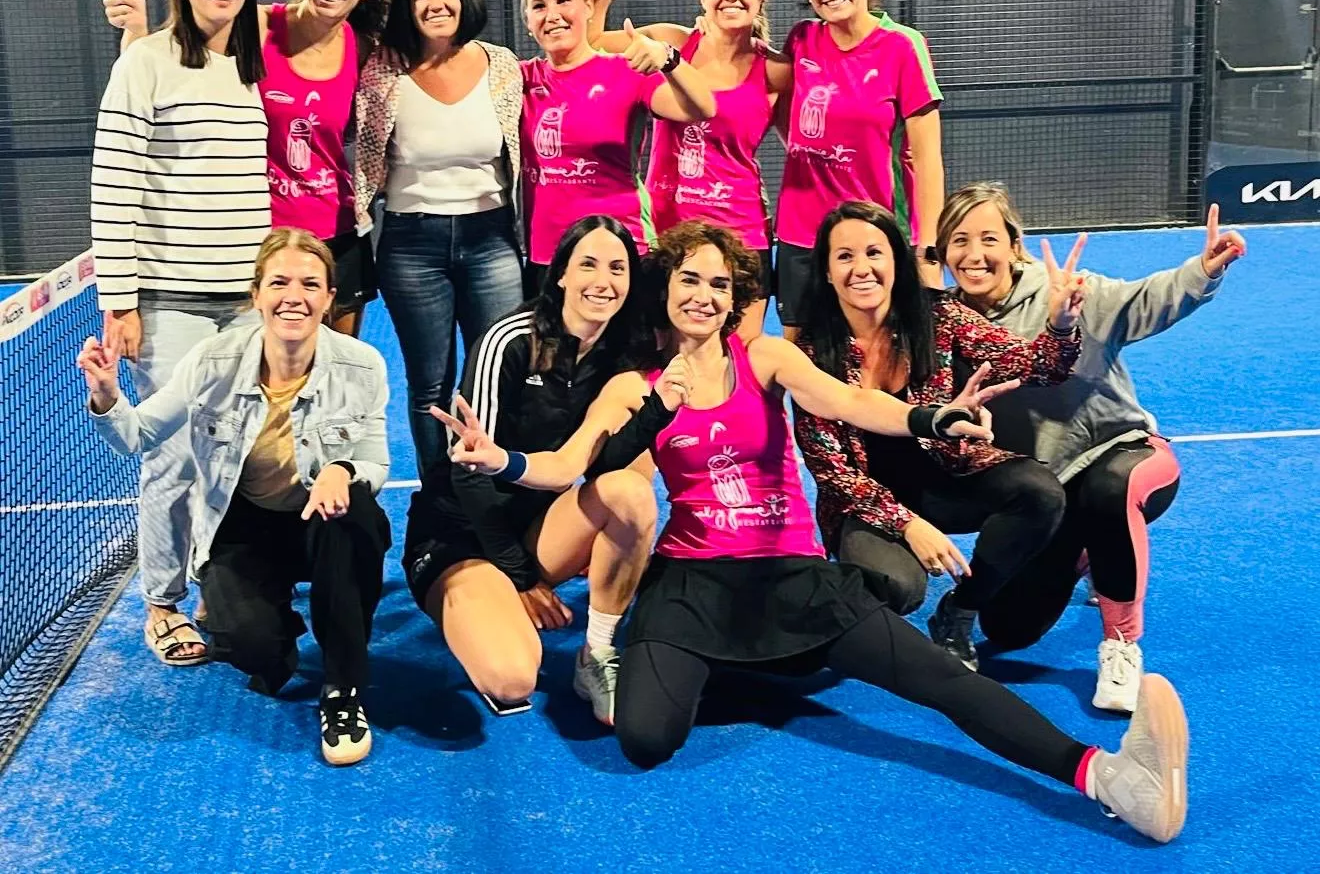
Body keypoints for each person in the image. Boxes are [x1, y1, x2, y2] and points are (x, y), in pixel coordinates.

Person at [438, 220, 1189, 845]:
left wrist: (932, 416)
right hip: (694, 585)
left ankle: (1111, 775)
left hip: (793, 576)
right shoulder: (635, 385)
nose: (705, 295)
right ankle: (736, 663)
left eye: (720, 283)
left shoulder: (764, 356)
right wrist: (498, 456)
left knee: (942, 680)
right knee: (644, 739)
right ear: (664, 291)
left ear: (734, 299)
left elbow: (857, 403)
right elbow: (571, 464)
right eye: (689, 280)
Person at [78, 229, 391, 766]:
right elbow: (138, 437)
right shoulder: (211, 360)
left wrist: (343, 469)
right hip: (246, 523)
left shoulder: (362, 364)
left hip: (323, 517)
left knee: (352, 515)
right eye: (280, 282)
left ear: (329, 298)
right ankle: (272, 623)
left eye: (310, 284)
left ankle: (343, 688)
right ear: (257, 295)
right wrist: (107, 394)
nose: (294, 296)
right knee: (251, 650)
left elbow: (377, 461)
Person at [937, 182, 1246, 711]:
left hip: (1126, 454)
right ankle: (1086, 552)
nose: (974, 254)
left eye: (989, 238)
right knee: (1009, 629)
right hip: (1051, 492)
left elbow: (1146, 300)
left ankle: (1121, 643)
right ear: (943, 254)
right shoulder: (948, 325)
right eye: (959, 241)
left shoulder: (1068, 291)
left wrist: (1204, 270)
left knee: (1107, 492)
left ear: (1014, 245)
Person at [792, 201, 1086, 671]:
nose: (861, 268)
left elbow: (1036, 367)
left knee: (1039, 494)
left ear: (896, 262)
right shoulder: (808, 355)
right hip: (865, 501)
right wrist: (908, 526)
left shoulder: (941, 316)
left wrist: (1061, 325)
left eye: (874, 252)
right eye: (844, 257)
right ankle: (841, 582)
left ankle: (960, 610)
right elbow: (834, 476)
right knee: (899, 588)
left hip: (949, 474)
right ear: (827, 273)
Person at [92, 0, 270, 666]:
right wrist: (120, 299)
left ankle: (216, 582)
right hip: (168, 301)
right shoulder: (145, 63)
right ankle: (161, 600)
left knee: (235, 449)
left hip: (248, 303)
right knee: (170, 450)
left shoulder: (259, 69)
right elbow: (115, 179)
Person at [403, 215, 657, 725]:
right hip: (461, 533)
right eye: (588, 264)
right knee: (512, 679)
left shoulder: (622, 356)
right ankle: (479, 601)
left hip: (539, 531)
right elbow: (469, 474)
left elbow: (614, 463)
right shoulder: (510, 341)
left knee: (629, 491)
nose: (602, 281)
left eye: (617, 268)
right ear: (560, 273)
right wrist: (518, 577)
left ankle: (598, 653)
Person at [103, 0, 392, 336]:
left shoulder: (365, 50)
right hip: (262, 243)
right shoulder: (253, 26)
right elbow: (176, 60)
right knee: (270, 376)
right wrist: (136, 32)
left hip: (339, 235)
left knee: (338, 375)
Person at [353, 0, 526, 474]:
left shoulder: (502, 66)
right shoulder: (380, 68)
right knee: (429, 382)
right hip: (411, 247)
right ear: (405, 4)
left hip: (492, 243)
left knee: (493, 375)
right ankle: (438, 506)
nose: (435, 2)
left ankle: (489, 489)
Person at [584, 0, 792, 334]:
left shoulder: (775, 70)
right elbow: (587, 43)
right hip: (668, 232)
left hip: (742, 234)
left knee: (740, 362)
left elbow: (801, 147)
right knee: (665, 355)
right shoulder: (670, 43)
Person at [776, 0, 946, 341]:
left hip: (873, 232)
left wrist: (928, 249)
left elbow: (926, 160)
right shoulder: (800, 40)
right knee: (800, 355)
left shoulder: (902, 47)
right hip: (801, 232)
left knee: (880, 350)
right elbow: (781, 113)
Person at [518, 0, 716, 292]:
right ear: (527, 20)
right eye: (538, 6)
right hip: (549, 259)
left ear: (587, 6)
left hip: (621, 254)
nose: (552, 15)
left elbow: (703, 107)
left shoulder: (624, 71)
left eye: (563, 0)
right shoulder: (519, 79)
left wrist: (669, 59)